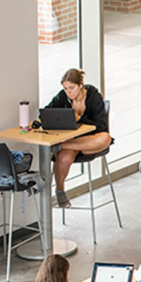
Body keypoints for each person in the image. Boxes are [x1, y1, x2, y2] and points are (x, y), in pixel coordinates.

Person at [46, 69, 113, 208]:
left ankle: (60, 146)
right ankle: (60, 190)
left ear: (81, 84)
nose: (68, 92)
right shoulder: (63, 97)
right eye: (65, 89)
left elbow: (101, 126)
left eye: (72, 88)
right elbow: (47, 112)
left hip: (89, 141)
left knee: (105, 139)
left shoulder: (93, 96)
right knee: (64, 159)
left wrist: (80, 120)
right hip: (72, 141)